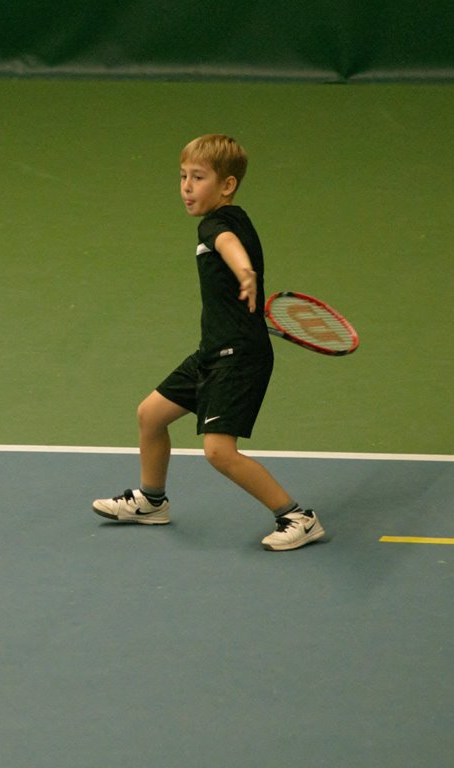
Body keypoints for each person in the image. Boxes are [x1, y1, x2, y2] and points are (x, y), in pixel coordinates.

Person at [92, 134, 325, 551]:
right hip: (213, 351)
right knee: (150, 415)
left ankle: (297, 517)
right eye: (183, 176)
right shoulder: (235, 219)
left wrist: (245, 271)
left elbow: (227, 244)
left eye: (198, 178)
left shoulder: (217, 223)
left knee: (218, 452)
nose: (186, 187)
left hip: (239, 358)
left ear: (227, 185)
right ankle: (152, 501)